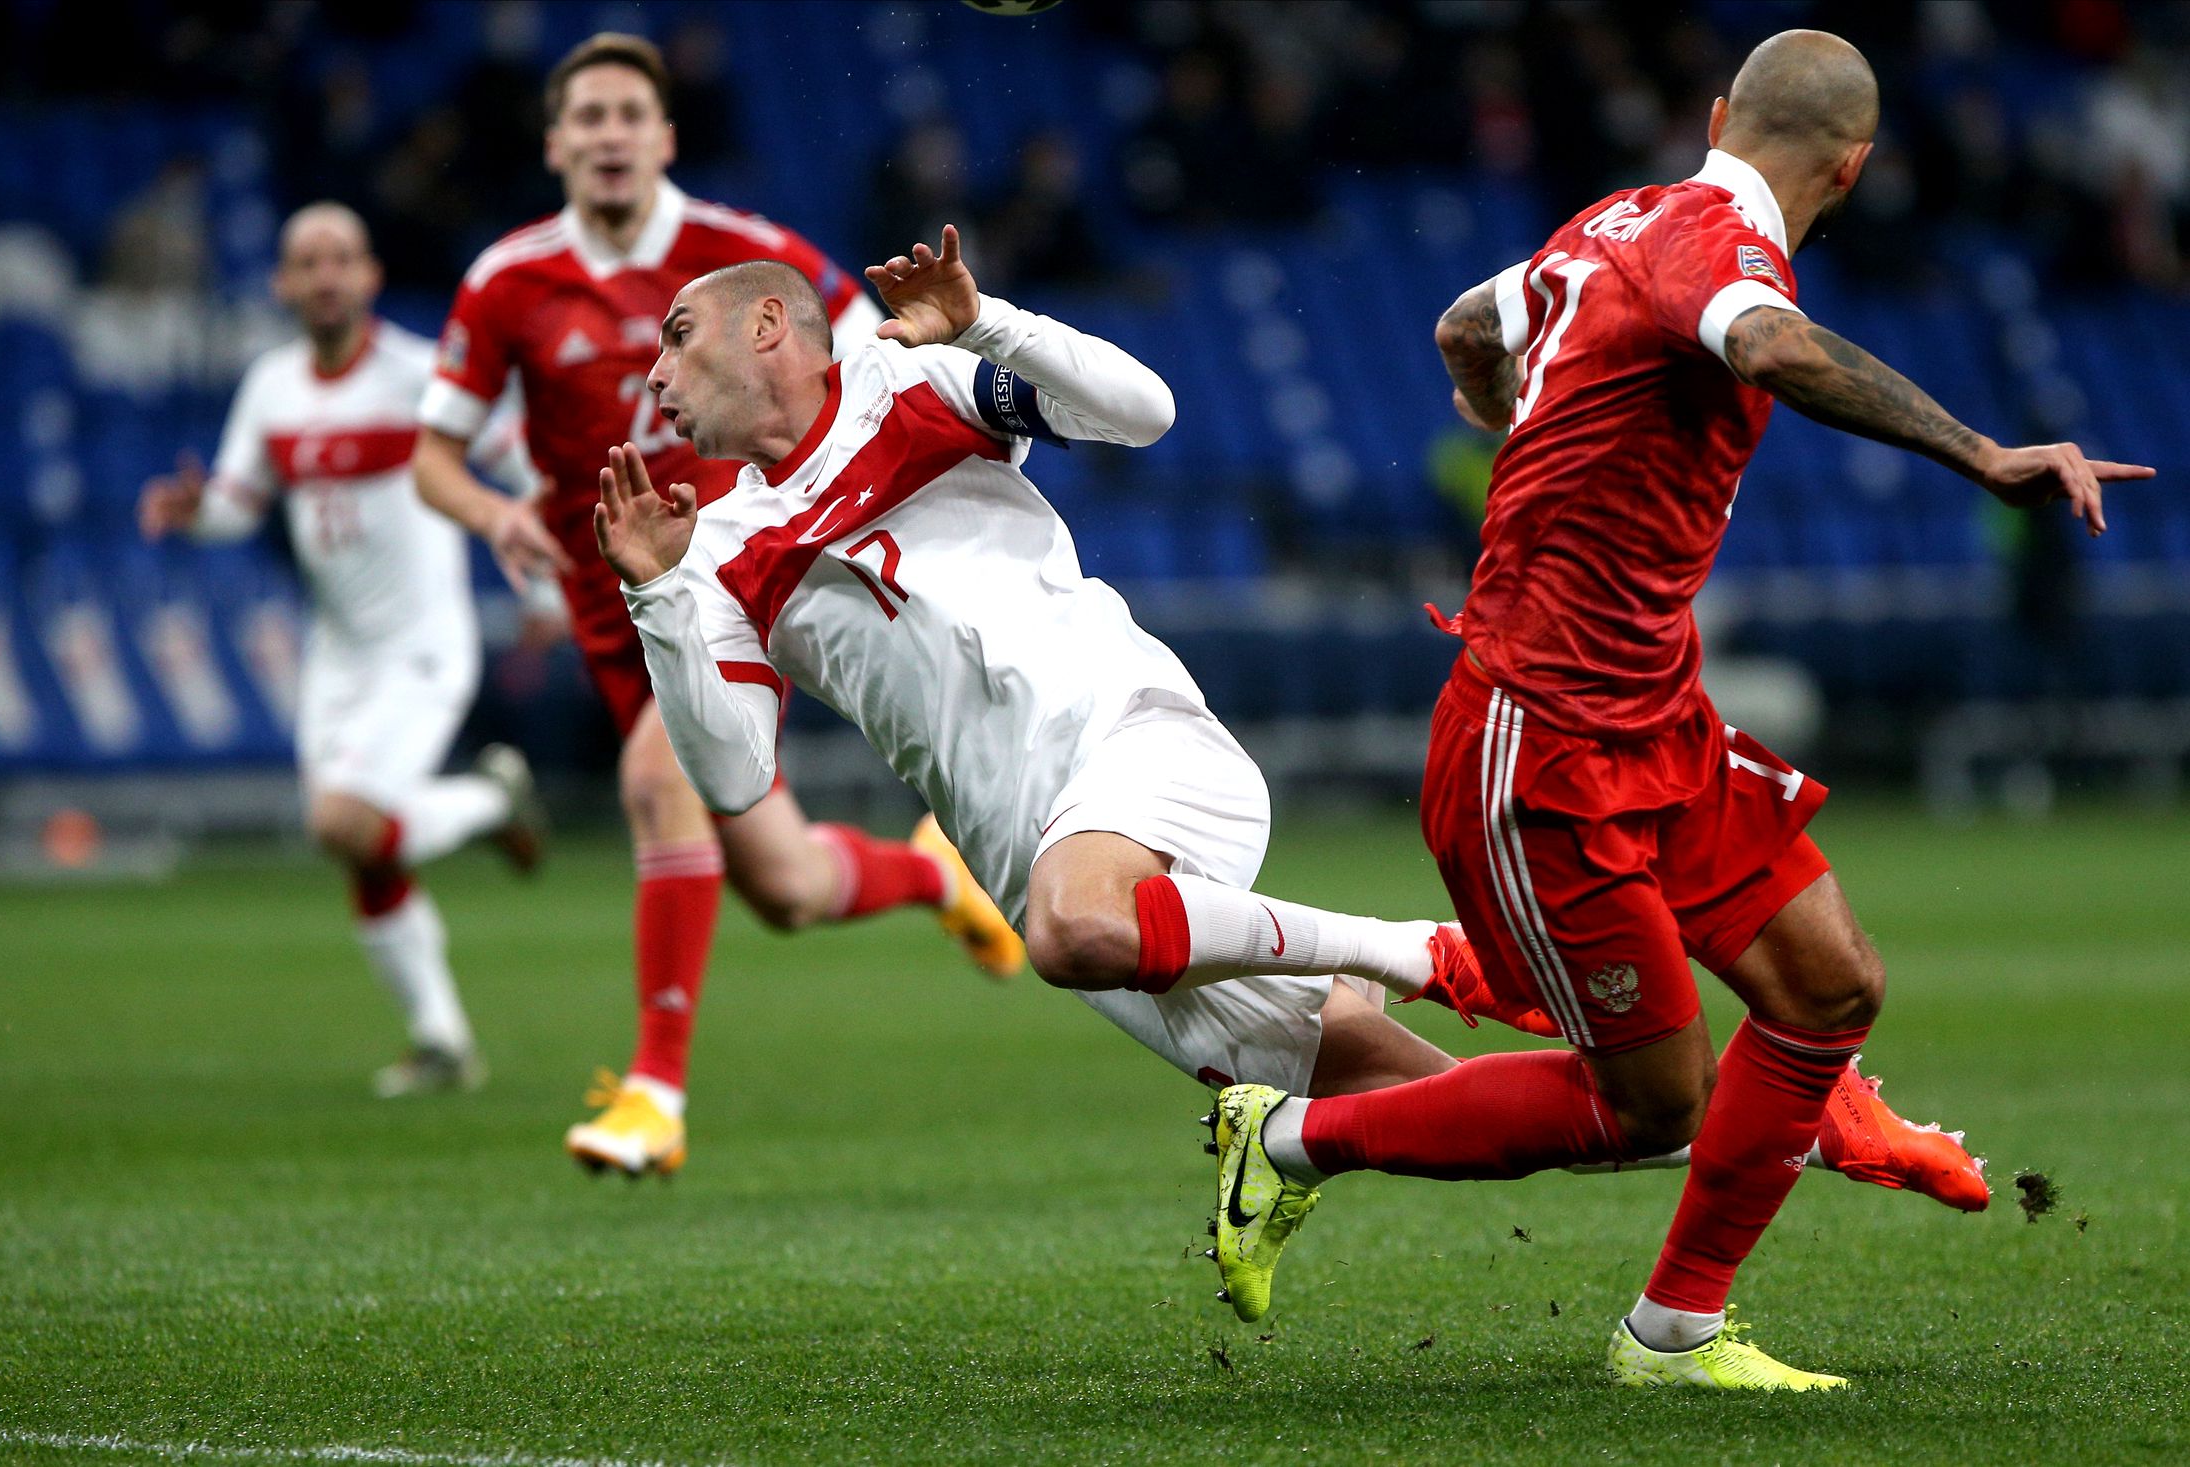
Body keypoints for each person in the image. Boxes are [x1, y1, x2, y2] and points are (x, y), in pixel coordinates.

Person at [591, 228, 1988, 1228]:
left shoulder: (906, 380)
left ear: (771, 324)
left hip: (1135, 746)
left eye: (676, 334)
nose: (652, 372)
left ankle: (1424, 947)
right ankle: (1805, 1117)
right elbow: (735, 771)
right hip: (1048, 857)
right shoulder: (712, 558)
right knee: (1486, 1103)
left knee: (1069, 929)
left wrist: (989, 322)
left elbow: (1143, 412)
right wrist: (659, 601)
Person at [1203, 29, 2153, 1392]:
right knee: (1647, 1099)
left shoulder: (1615, 217)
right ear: (1855, 168)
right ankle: (1287, 1136)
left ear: (1718, 113)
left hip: (1658, 715)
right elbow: (1767, 344)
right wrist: (1982, 450)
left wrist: (1509, 415)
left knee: (1832, 986)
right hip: (1542, 729)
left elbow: (1466, 328)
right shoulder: (1725, 249)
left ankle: (1673, 1334)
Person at [410, 33, 1022, 1180]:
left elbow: (870, 363)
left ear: (663, 137)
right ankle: (937, 876)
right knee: (783, 887)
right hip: (609, 603)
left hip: (739, 570)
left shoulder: (744, 256)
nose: (606, 135)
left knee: (657, 781)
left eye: (627, 114)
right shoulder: (506, 281)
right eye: (585, 116)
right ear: (555, 143)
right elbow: (431, 457)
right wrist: (491, 513)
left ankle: (654, 1093)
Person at [138, 203, 545, 1098]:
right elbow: (240, 505)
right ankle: (442, 1040)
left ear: (368, 276)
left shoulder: (417, 376)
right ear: (283, 284)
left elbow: (519, 459)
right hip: (339, 654)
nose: (325, 276)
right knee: (360, 847)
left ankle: (484, 800)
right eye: (306, 262)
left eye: (342, 259)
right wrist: (193, 509)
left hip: (424, 645)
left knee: (341, 820)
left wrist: (549, 583)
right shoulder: (271, 386)